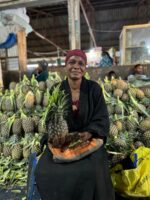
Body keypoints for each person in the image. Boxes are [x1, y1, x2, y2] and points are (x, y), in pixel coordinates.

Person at [35, 49, 115, 200]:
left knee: (94, 170)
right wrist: (56, 135)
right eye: (72, 62)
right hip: (61, 140)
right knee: (44, 170)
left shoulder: (94, 89)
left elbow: (102, 117)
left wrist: (91, 132)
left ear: (85, 68)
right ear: (65, 66)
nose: (76, 66)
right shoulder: (56, 89)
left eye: (81, 63)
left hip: (89, 138)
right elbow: (50, 118)